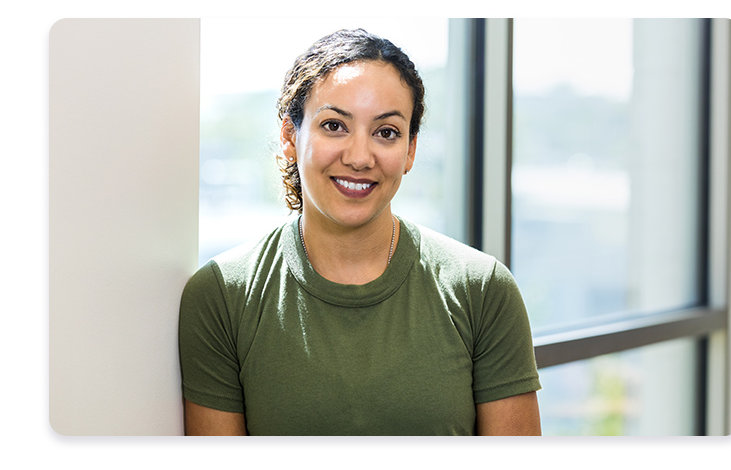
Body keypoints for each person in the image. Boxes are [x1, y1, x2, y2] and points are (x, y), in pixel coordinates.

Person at [178, 28, 542, 436]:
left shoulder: (483, 289)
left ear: (410, 151)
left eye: (386, 132)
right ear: (289, 138)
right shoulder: (222, 294)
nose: (359, 157)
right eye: (334, 126)